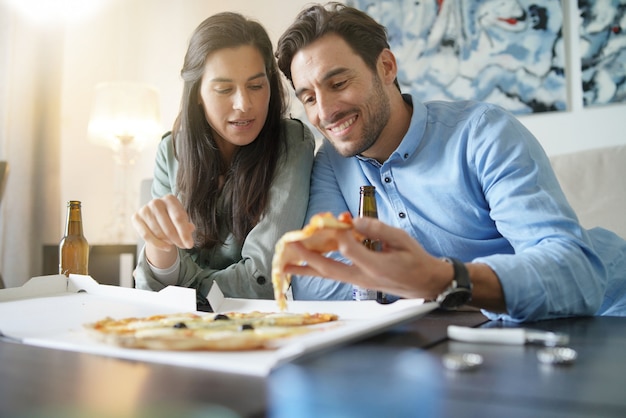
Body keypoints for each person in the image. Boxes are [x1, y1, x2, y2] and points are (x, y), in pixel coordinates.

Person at [274, 2, 626, 322]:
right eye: (308, 98)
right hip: (475, 338)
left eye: (338, 82)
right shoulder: (334, 163)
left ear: (386, 67)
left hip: (604, 318)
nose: (325, 111)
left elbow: (575, 274)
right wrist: (428, 286)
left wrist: (446, 279)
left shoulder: (482, 134)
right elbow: (316, 285)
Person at [132, 12, 315, 302]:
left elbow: (263, 281)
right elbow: (151, 289)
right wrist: (161, 250)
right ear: (197, 93)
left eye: (256, 86)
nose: (244, 105)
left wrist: (181, 281)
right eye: (224, 89)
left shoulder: (291, 144)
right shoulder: (171, 150)